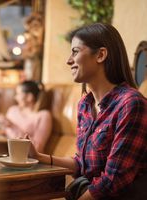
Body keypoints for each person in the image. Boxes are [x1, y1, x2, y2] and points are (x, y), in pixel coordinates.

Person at [29, 23, 147, 200]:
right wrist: (38, 157)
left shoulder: (131, 104)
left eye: (75, 51)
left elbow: (113, 180)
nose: (69, 60)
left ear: (100, 55)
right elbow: (82, 164)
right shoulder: (85, 104)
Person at [0, 80, 52, 153]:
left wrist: (12, 126)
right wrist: (0, 131)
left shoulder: (43, 115)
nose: (15, 97)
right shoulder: (13, 110)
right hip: (5, 154)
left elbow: (37, 148)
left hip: (27, 160)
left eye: (18, 94)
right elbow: (5, 135)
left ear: (29, 97)